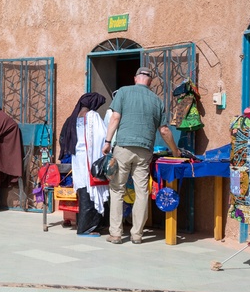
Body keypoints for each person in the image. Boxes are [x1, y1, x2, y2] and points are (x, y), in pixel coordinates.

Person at [101, 67, 180, 244]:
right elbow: (165, 130)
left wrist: (107, 142)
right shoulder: (157, 100)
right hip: (144, 151)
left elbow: (115, 118)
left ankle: (116, 233)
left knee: (117, 189)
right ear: (150, 82)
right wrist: (175, 151)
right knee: (142, 192)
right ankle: (137, 234)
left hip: (123, 147)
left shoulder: (123, 92)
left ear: (136, 78)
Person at [61, 92, 109, 235]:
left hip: (78, 160)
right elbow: (102, 136)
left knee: (83, 190)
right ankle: (87, 228)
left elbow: (63, 139)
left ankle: (88, 225)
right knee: (92, 192)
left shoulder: (72, 118)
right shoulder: (92, 116)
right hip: (91, 158)